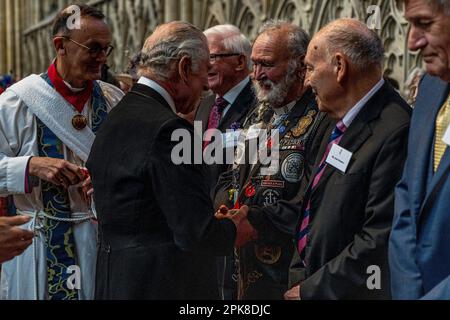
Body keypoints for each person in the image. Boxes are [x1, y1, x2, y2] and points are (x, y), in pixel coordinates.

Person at [86, 21, 255, 300]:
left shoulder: (118, 113)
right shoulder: (170, 130)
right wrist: (233, 228)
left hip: (115, 278)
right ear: (184, 67)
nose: (204, 88)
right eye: (203, 73)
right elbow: (195, 233)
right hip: (161, 283)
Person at [0, 4, 123, 300]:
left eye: (107, 48)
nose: (102, 58)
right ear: (61, 46)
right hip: (37, 245)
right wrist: (30, 166)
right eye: (93, 48)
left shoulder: (113, 100)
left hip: (101, 243)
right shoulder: (16, 104)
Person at [283, 18, 411, 300]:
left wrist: (313, 290)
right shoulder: (332, 120)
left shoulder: (394, 129)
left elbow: (379, 238)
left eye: (310, 68)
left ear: (339, 67)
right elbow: (312, 205)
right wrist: (299, 274)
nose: (305, 80)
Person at [214, 21, 328, 300]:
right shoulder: (258, 113)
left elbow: (314, 198)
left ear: (300, 66)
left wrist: (256, 220)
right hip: (239, 262)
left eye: (266, 64)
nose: (256, 74)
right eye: (254, 64)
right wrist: (223, 206)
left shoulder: (319, 117)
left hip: (287, 267)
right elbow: (231, 173)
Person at [389, 0, 450, 300]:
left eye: (425, 24)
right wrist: (408, 291)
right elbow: (407, 195)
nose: (412, 41)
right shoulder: (430, 87)